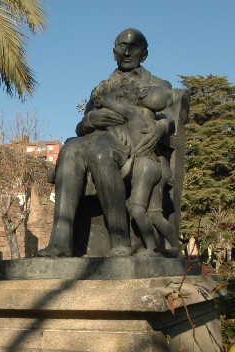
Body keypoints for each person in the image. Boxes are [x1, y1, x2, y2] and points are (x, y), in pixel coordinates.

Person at [37, 28, 175, 257]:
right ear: (114, 52)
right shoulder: (102, 87)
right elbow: (80, 127)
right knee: (69, 149)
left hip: (129, 142)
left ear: (145, 53)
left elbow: (170, 116)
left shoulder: (157, 84)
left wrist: (162, 126)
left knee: (101, 154)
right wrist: (91, 119)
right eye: (122, 46)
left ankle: (121, 241)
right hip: (96, 135)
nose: (127, 51)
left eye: (134, 47)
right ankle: (60, 242)